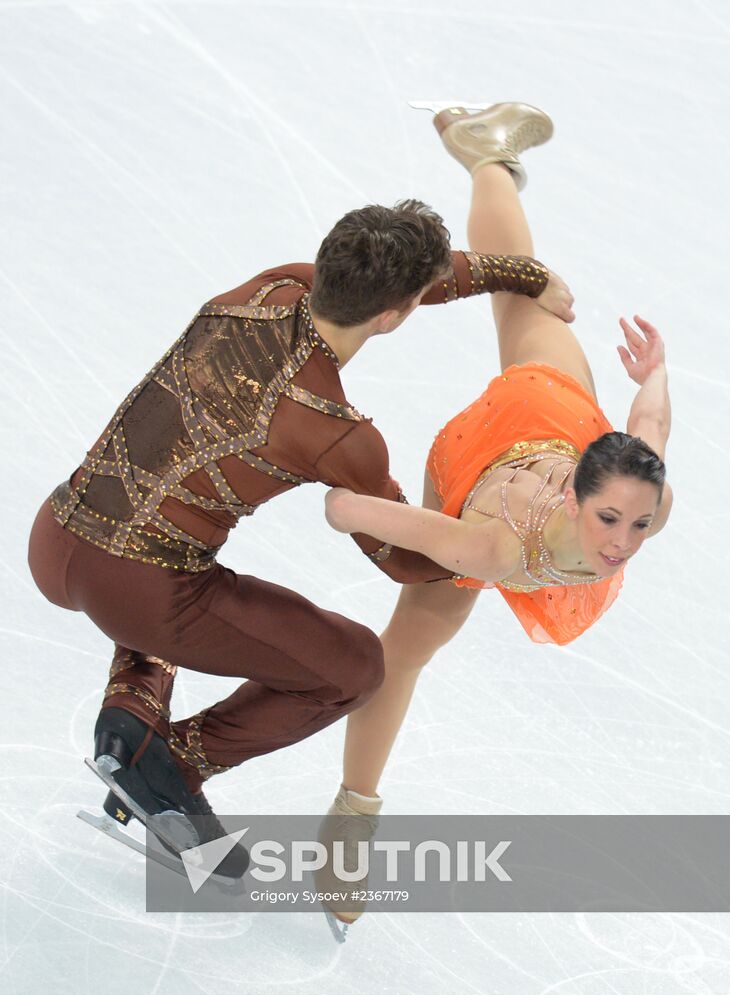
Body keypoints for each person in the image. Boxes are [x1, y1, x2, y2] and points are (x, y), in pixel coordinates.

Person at [27, 115, 572, 871]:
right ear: (395, 315)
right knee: (351, 666)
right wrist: (498, 552)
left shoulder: (272, 285)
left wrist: (519, 273)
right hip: (140, 594)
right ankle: (173, 762)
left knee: (185, 573)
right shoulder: (339, 434)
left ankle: (131, 711)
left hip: (55, 537)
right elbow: (404, 564)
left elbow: (424, 273)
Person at [321, 101, 673, 925]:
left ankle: (485, 154)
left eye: (635, 524)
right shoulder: (491, 549)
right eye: (610, 523)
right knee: (404, 649)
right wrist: (338, 480)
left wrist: (652, 372)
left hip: (559, 417)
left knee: (527, 292)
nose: (622, 546)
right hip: (484, 459)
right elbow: (359, 514)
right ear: (583, 495)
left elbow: (651, 423)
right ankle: (350, 824)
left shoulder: (640, 487)